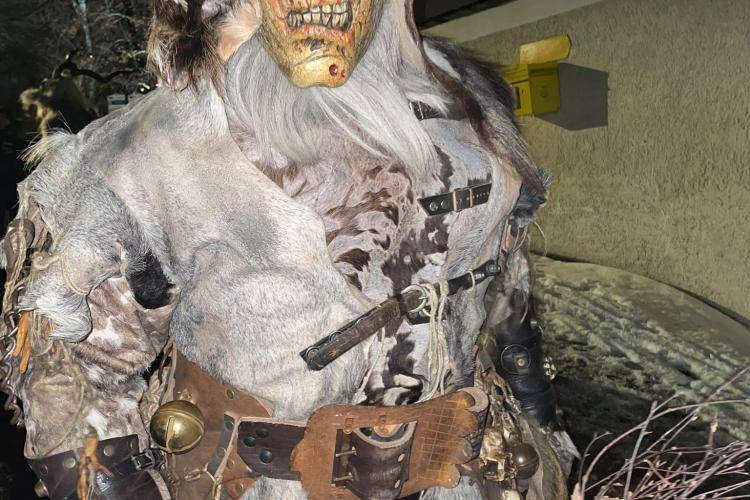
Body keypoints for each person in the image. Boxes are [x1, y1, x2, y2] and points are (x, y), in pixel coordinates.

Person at [0, 1, 572, 498]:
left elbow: (508, 308)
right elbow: (74, 380)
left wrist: (542, 440)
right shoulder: (147, 153)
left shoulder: (469, 115)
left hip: (463, 478)